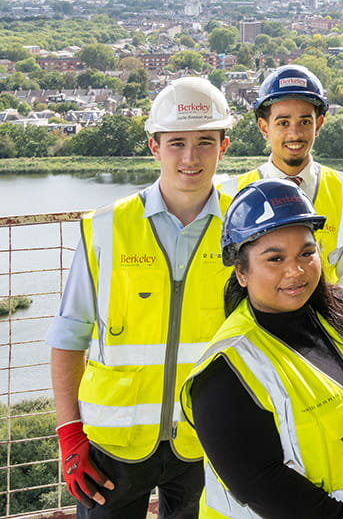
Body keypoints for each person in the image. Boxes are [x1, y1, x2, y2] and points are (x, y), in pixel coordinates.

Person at [45, 77, 234, 517]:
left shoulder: (241, 228)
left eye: (205, 142)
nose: (190, 158)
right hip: (113, 443)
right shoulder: (106, 228)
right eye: (176, 143)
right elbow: (69, 336)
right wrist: (70, 433)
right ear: (154, 146)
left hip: (207, 437)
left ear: (223, 146)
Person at [181, 179, 343, 518]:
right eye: (275, 258)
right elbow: (259, 481)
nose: (296, 271)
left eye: (307, 253)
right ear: (241, 271)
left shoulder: (341, 311)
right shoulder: (226, 369)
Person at [221, 64, 343, 302]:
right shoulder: (230, 195)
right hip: (259, 331)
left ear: (318, 125)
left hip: (324, 330)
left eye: (305, 122)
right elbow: (229, 284)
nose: (295, 134)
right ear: (264, 128)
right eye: (283, 123)